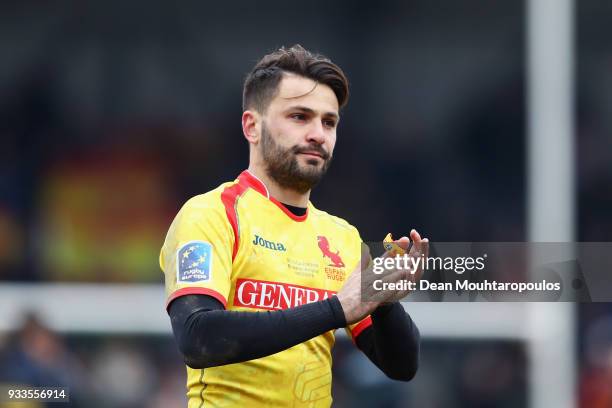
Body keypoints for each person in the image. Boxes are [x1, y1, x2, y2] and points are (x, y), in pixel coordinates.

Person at [160, 44, 428, 407]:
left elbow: (401, 366)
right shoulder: (211, 215)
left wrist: (383, 300)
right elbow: (198, 337)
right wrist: (336, 308)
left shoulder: (342, 238)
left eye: (328, 122)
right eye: (299, 117)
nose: (318, 133)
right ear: (252, 126)